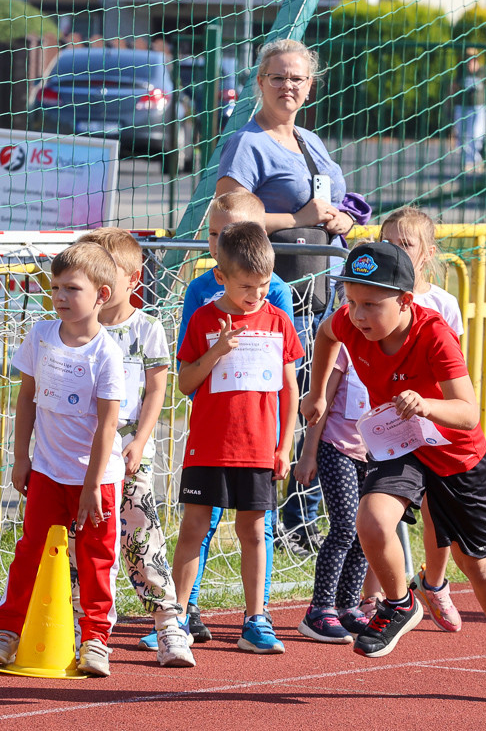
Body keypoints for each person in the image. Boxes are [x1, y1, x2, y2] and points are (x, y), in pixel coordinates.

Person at [301, 242, 486, 704]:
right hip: (400, 445)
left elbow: (469, 413)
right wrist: (316, 393)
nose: (358, 314)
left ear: (406, 302)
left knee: (476, 563)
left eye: (371, 304)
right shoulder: (349, 326)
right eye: (351, 301)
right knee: (369, 521)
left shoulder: (434, 336)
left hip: (453, 453)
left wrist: (425, 404)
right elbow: (325, 336)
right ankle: (399, 603)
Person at [215, 38, 365, 554]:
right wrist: (296, 221)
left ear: (310, 85)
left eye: (298, 78)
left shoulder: (311, 140)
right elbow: (228, 215)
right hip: (281, 299)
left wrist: (343, 218)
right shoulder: (248, 143)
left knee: (323, 405)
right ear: (260, 83)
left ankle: (307, 518)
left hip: (328, 296)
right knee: (289, 406)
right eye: (278, 77)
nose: (288, 86)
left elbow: (333, 200)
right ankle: (271, 515)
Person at [0, 242, 126, 678]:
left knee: (97, 560)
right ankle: (8, 632)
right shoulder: (41, 336)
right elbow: (26, 398)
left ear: (101, 294)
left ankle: (96, 639)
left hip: (95, 480)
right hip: (46, 471)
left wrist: (92, 485)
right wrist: (20, 457)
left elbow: (107, 426)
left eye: (71, 288)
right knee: (30, 552)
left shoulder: (107, 354)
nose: (60, 296)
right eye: (55, 287)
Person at [173, 222, 302, 655]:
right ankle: (174, 617)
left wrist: (284, 446)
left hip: (258, 447)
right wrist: (217, 351)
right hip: (209, 446)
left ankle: (256, 619)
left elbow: (290, 389)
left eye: (264, 284)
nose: (257, 294)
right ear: (222, 278)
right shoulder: (204, 319)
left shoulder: (279, 322)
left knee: (253, 530)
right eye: (247, 286)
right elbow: (185, 382)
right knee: (193, 527)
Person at [75, 228, 195, 668]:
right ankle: (84, 629)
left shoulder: (146, 330)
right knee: (82, 542)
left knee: (142, 536)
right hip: (79, 461)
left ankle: (169, 626)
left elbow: (157, 391)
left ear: (131, 279)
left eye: (107, 275)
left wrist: (140, 441)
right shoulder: (74, 331)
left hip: (128, 457)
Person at [379, 208, 464, 633]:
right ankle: (382, 597)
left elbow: (454, 372)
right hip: (390, 425)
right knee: (381, 508)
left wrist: (436, 410)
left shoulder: (443, 304)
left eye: (405, 245)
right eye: (388, 243)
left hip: (432, 424)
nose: (396, 251)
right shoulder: (371, 296)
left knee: (436, 511)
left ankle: (435, 582)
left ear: (427, 253)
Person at [293, 343, 370, 644]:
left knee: (367, 530)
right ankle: (320, 608)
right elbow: (320, 405)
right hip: (336, 448)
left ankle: (347, 605)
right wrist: (308, 454)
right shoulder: (344, 350)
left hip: (375, 453)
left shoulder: (391, 350)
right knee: (344, 527)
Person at [453, 48, 486, 173]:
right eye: (467, 57)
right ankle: (468, 162)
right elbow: (454, 87)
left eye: (472, 58)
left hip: (478, 106)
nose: (470, 60)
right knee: (464, 136)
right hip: (463, 106)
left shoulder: (482, 71)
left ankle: (478, 160)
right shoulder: (461, 71)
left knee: (477, 134)